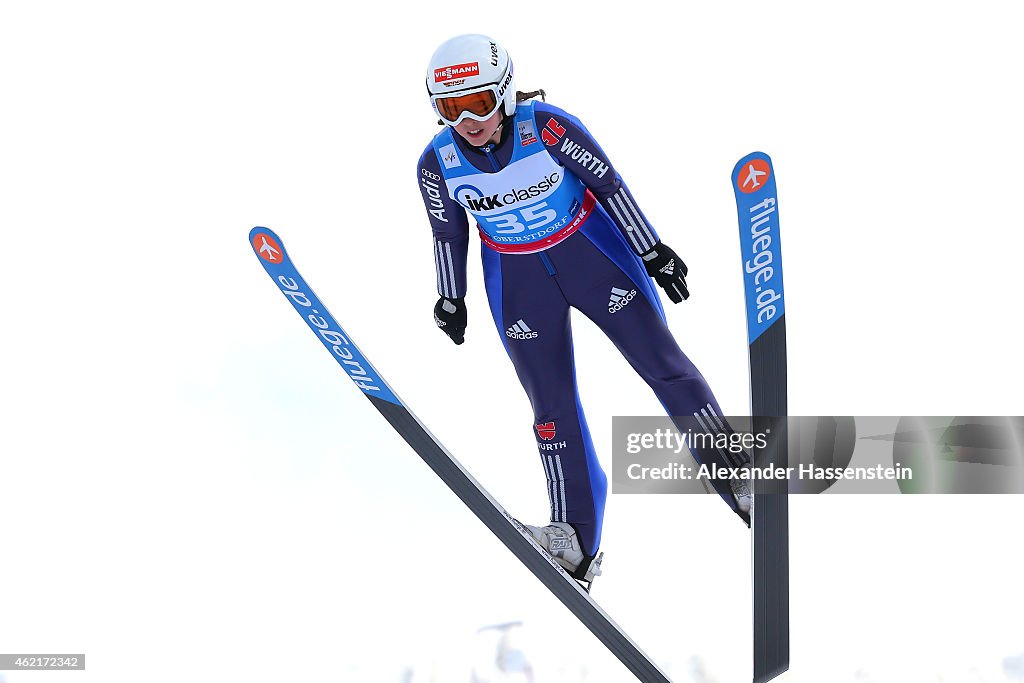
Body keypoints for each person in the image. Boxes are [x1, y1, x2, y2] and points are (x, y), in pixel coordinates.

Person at [416, 34, 750, 585]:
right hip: (518, 282)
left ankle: (737, 477)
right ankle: (575, 537)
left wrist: (653, 250)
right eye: (451, 108)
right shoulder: (438, 162)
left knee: (663, 364)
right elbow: (445, 234)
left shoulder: (546, 126)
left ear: (503, 91)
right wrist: (451, 297)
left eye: (478, 102)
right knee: (550, 410)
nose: (468, 119)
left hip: (592, 256)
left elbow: (609, 185)